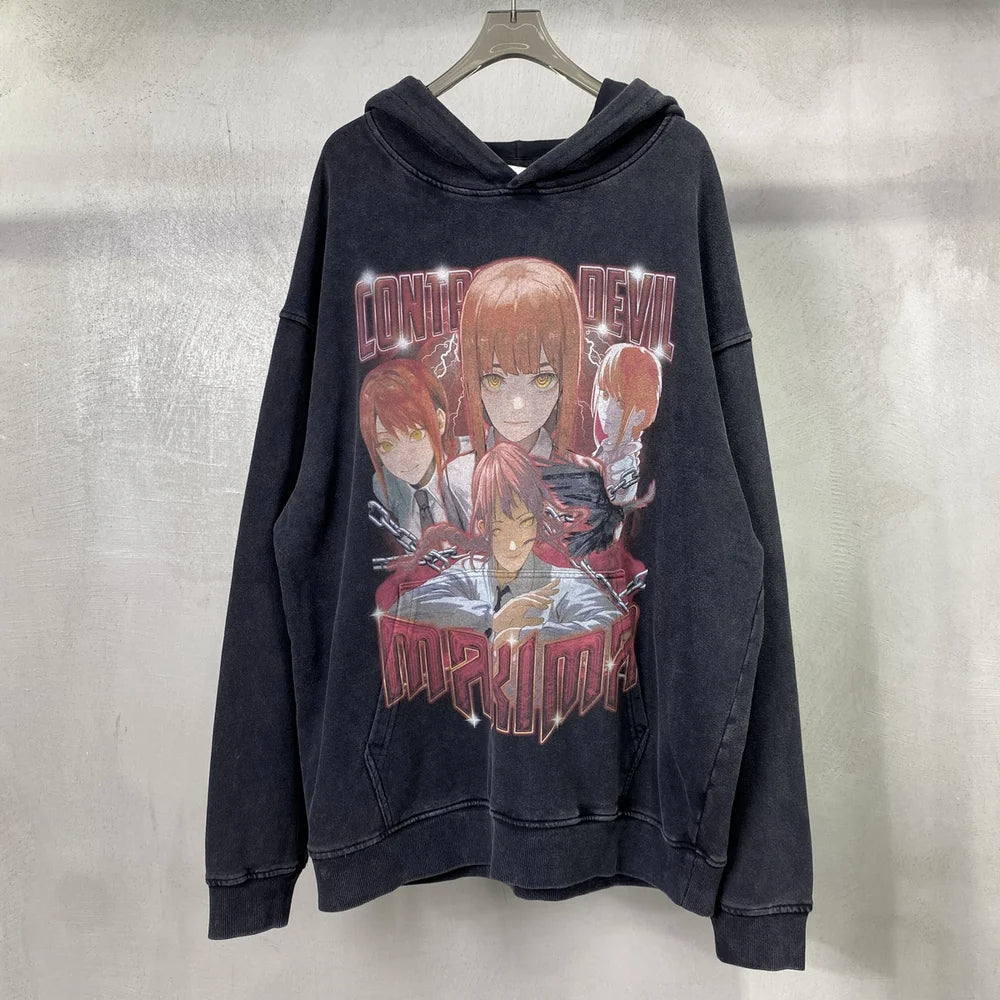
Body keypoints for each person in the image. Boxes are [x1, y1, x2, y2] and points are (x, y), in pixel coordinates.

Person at [390, 443, 623, 646]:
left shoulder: (562, 583)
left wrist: (530, 635)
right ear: (483, 527)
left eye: (524, 523)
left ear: (537, 521)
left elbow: (614, 625)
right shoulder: (468, 576)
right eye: (499, 528)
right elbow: (404, 610)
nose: (512, 545)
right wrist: (490, 619)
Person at [444, 256, 587, 526]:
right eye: (494, 379)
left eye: (542, 379)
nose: (518, 404)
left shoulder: (585, 477)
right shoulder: (457, 477)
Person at [359, 359, 466, 540]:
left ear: (439, 421)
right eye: (386, 445)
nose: (404, 457)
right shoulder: (385, 486)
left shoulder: (472, 467)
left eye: (416, 435)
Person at [591, 342, 662, 506]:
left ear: (640, 415)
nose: (607, 409)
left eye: (620, 403)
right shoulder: (605, 452)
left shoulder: (623, 472)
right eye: (605, 395)